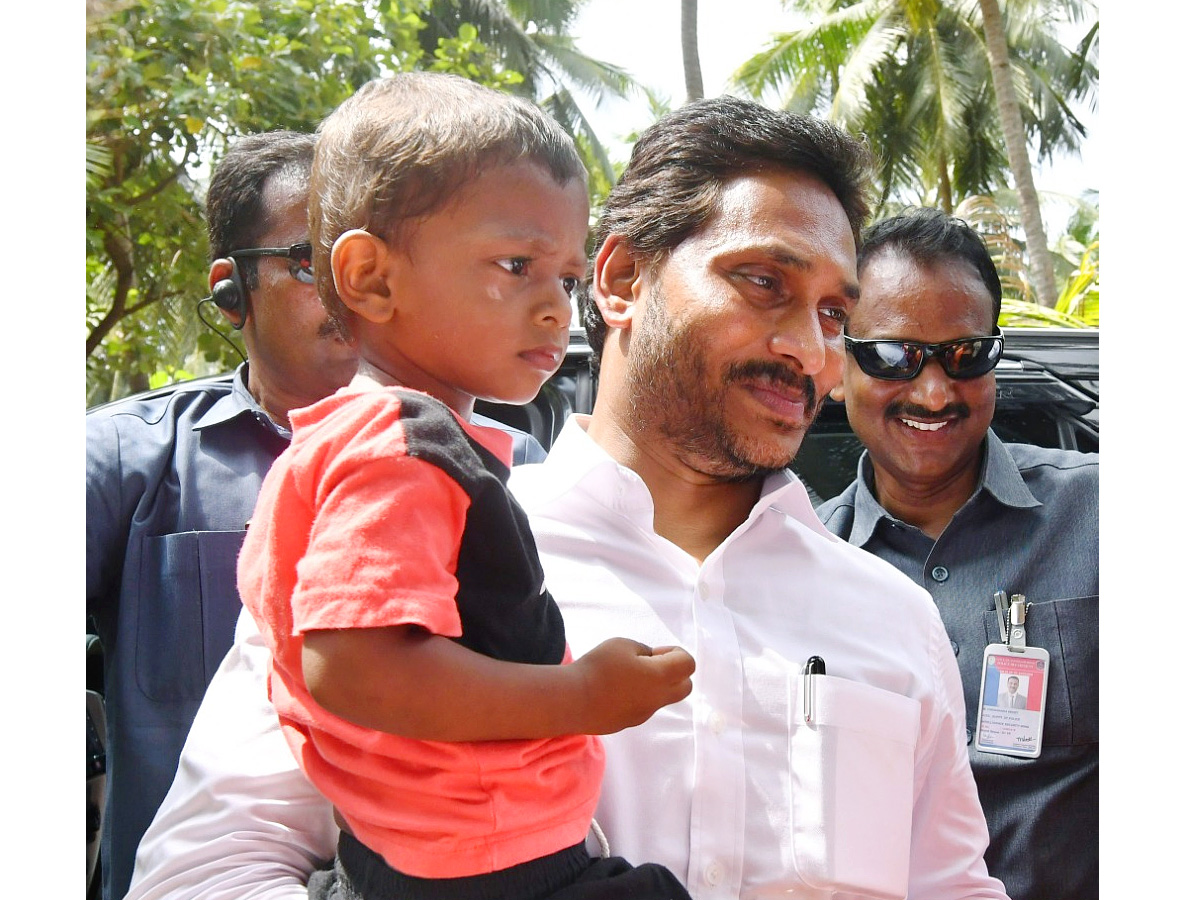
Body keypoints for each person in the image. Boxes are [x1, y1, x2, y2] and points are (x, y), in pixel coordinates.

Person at [129, 96, 1009, 900]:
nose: (806, 351)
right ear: (621, 281)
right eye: (763, 283)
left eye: (829, 314)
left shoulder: (891, 619)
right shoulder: (411, 536)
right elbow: (206, 869)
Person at [240, 73, 697, 900]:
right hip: (484, 865)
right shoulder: (401, 446)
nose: (558, 308)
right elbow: (355, 667)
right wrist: (581, 694)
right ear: (371, 279)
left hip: (409, 852)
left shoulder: (361, 441)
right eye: (516, 265)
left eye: (563, 276)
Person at [85, 131, 544, 900]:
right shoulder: (125, 459)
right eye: (310, 260)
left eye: (376, 259)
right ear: (232, 291)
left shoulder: (516, 470)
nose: (351, 287)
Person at [817, 208, 1098, 900]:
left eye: (966, 355)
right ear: (838, 362)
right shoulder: (802, 565)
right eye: (893, 356)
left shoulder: (1103, 517)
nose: (935, 391)